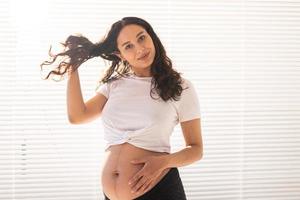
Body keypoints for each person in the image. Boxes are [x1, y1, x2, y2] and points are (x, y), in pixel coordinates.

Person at [40, 16, 203, 200]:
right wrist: (73, 67)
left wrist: (163, 162)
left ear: (152, 37)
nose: (140, 49)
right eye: (128, 46)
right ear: (120, 54)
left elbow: (196, 149)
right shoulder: (114, 86)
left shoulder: (181, 86)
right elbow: (77, 116)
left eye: (141, 38)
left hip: (158, 189)